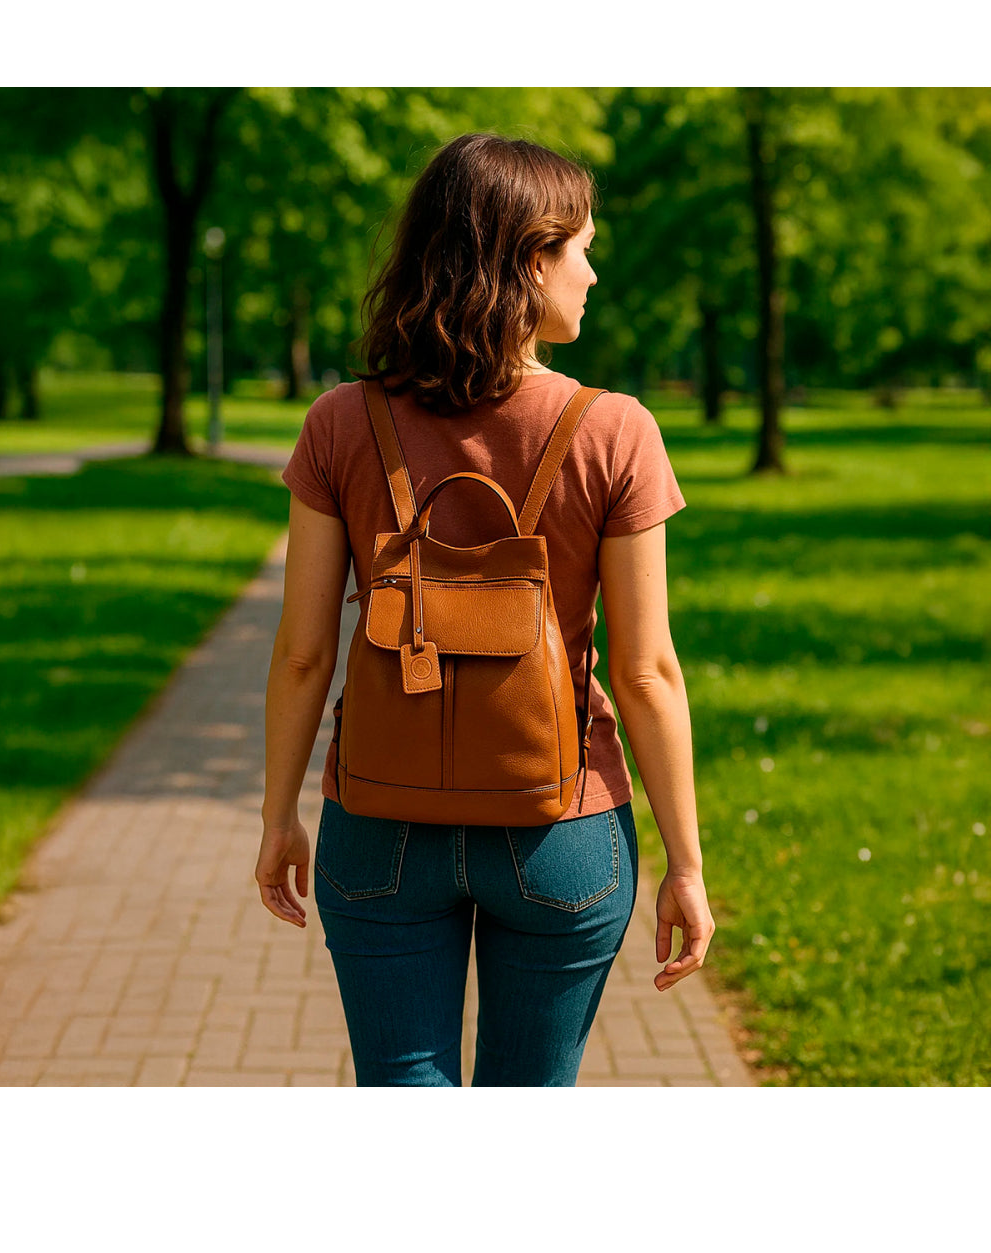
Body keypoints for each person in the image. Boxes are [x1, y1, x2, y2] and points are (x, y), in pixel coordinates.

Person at [255, 131, 715, 1086]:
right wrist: (686, 864)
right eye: (581, 247)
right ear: (526, 259)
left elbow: (303, 653)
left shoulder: (342, 421)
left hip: (377, 827)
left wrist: (278, 817)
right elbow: (645, 670)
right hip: (561, 830)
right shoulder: (614, 430)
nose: (593, 272)